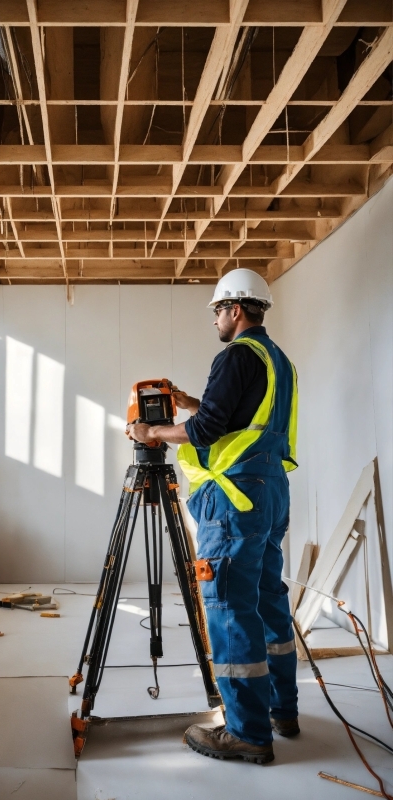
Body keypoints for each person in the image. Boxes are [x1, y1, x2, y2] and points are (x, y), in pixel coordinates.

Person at [127, 267, 299, 765]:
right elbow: (237, 418)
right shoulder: (277, 360)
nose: (217, 320)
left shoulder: (235, 356)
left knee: (227, 603)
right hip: (269, 493)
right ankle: (280, 711)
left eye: (219, 311)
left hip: (235, 500)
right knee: (268, 597)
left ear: (236, 309)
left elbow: (205, 432)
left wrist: (153, 433)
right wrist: (189, 403)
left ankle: (247, 733)